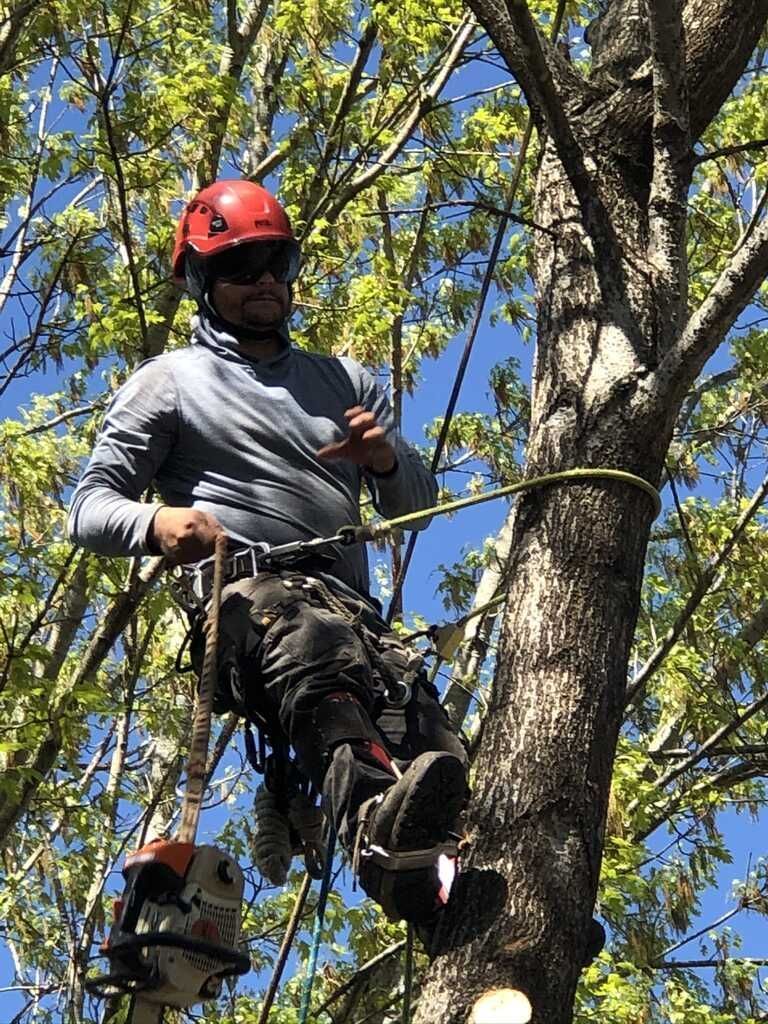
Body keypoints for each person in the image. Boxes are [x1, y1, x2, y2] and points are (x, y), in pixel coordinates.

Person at [67, 178, 469, 925]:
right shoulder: (169, 384)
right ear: (201, 281)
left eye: (273, 265)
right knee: (317, 659)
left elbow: (417, 509)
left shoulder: (341, 381)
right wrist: (160, 526)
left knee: (430, 734)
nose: (261, 284)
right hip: (253, 605)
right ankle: (379, 827)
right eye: (238, 268)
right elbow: (88, 509)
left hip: (352, 612)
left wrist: (383, 461)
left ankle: (445, 884)